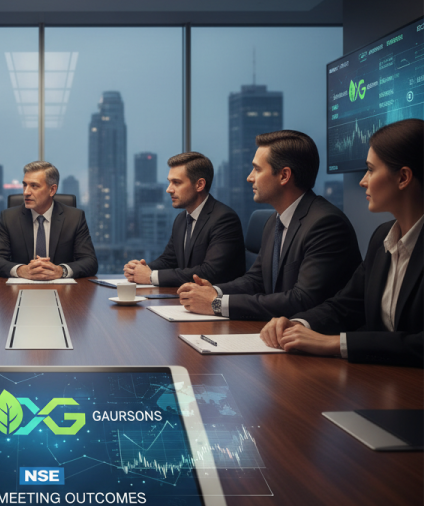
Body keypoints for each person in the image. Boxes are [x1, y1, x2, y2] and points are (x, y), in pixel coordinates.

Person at [260, 119, 423, 366]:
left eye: (370, 170)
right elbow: (347, 305)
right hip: (381, 378)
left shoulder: (328, 222)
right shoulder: (382, 237)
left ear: (403, 177)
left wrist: (335, 343)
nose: (363, 181)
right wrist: (298, 324)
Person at [178, 130, 361, 319]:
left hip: (314, 333)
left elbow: (302, 300)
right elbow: (257, 279)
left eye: (257, 169)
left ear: (284, 175)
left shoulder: (326, 225)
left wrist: (216, 304)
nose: (250, 177)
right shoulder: (274, 221)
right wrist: (214, 291)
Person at [123, 152, 245, 287]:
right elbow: (168, 261)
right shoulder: (181, 219)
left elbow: (209, 272)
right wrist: (140, 269)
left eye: (176, 182)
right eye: (169, 182)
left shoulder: (224, 219)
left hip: (217, 298)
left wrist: (151, 277)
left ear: (199, 185)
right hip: (188, 295)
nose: (169, 189)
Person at [0, 161, 98, 280]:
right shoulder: (9, 218)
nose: (26, 192)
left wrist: (61, 271)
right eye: (25, 185)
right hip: (21, 287)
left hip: (62, 289)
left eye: (34, 186)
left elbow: (90, 262)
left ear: (52, 190)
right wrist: (21, 270)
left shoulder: (74, 218)